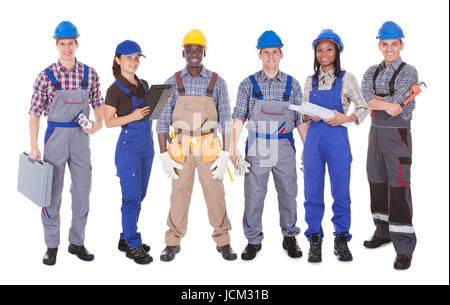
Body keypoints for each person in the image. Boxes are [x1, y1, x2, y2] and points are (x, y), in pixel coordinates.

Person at [156, 29, 237, 261]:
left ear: (204, 52)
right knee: (178, 194)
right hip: (180, 146)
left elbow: (226, 119)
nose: (194, 54)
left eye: (198, 49)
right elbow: (161, 122)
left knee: (215, 193)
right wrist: (163, 155)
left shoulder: (217, 82)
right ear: (184, 53)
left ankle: (223, 241)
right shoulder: (170, 81)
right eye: (189, 50)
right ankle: (172, 242)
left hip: (209, 144)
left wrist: (225, 153)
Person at [29, 21, 104, 265]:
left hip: (81, 139)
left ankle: (77, 242)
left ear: (76, 44)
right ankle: (52, 246)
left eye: (70, 43)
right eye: (62, 44)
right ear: (57, 45)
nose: (66, 48)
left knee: (83, 191)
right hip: (56, 138)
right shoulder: (45, 76)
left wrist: (99, 123)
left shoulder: (89, 74)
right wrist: (33, 145)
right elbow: (34, 113)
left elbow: (98, 103)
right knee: (52, 193)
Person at [230, 30, 304, 260]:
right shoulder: (248, 84)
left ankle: (290, 236)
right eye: (266, 52)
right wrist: (233, 148)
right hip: (257, 144)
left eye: (274, 52)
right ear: (259, 55)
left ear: (281, 54)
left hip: (284, 145)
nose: (270, 56)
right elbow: (239, 116)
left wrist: (308, 148)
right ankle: (253, 241)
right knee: (253, 195)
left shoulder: (293, 84)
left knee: (288, 193)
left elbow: (300, 120)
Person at [298, 29, 369, 263]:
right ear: (315, 53)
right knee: (312, 192)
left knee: (341, 192)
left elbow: (363, 108)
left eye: (329, 49)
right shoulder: (310, 81)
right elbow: (303, 117)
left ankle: (341, 238)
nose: (324, 54)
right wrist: (310, 117)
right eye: (320, 50)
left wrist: (344, 119)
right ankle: (315, 238)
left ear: (336, 52)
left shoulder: (347, 78)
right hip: (313, 142)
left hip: (338, 140)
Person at [361, 21, 418, 270]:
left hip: (398, 136)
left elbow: (399, 103)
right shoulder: (371, 71)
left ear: (401, 45)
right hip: (375, 134)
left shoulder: (409, 71)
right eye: (385, 44)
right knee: (376, 182)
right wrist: (386, 103)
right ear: (379, 45)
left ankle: (404, 247)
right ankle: (382, 232)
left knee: (398, 187)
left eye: (394, 44)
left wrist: (378, 100)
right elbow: (364, 98)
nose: (389, 49)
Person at [104, 40, 154, 265]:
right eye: (129, 57)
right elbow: (109, 122)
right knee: (131, 198)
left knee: (140, 195)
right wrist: (132, 117)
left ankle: (125, 237)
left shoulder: (144, 84)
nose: (134, 62)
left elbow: (149, 113)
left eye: (137, 58)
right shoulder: (114, 90)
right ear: (118, 60)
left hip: (147, 145)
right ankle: (133, 244)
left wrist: (162, 103)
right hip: (129, 148)